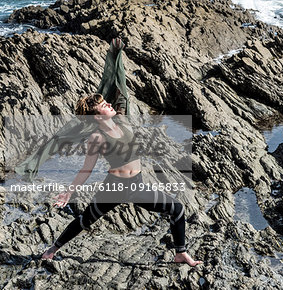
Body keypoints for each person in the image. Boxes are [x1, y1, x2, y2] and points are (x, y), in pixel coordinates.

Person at [41, 40, 202, 267]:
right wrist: (69, 192)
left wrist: (115, 56)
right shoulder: (97, 137)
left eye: (107, 102)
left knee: (176, 208)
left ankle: (181, 253)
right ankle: (53, 248)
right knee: (86, 219)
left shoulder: (122, 119)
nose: (109, 105)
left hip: (136, 185)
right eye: (104, 106)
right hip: (114, 187)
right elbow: (86, 169)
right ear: (97, 117)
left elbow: (119, 84)